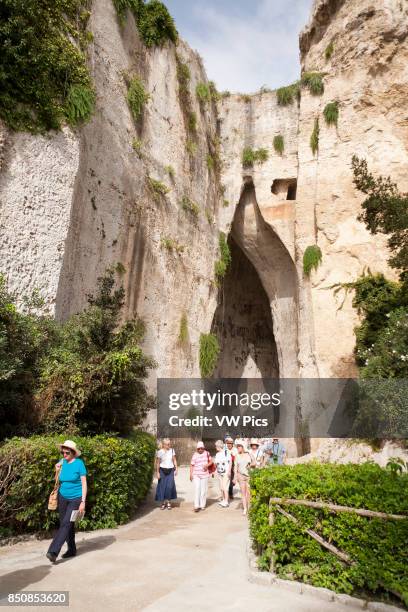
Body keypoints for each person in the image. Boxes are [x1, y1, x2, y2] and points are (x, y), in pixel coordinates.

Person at [46, 440, 87, 563]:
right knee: (66, 523)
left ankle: (53, 551)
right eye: (62, 452)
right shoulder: (62, 462)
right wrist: (56, 469)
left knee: (66, 523)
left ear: (73, 453)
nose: (64, 455)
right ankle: (72, 549)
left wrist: (83, 502)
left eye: (67, 452)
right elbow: (58, 479)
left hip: (76, 498)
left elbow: (84, 483)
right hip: (62, 496)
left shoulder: (79, 464)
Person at [190, 441, 213, 512]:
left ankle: (202, 505)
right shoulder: (194, 455)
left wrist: (207, 465)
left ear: (203, 448)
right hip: (196, 474)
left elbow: (211, 461)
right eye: (199, 448)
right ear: (197, 449)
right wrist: (191, 474)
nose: (200, 450)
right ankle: (196, 506)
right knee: (197, 489)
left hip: (205, 475)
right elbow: (192, 465)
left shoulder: (207, 453)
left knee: (203, 490)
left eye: (201, 448)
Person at [155, 438, 177, 509]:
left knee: (169, 486)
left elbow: (174, 460)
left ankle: (169, 502)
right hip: (162, 471)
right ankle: (163, 502)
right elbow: (158, 463)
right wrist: (157, 472)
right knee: (162, 486)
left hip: (170, 470)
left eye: (169, 444)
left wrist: (176, 468)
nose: (169, 445)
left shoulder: (172, 451)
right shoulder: (160, 452)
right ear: (164, 445)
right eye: (167, 444)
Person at [233, 440, 251, 515]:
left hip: (248, 475)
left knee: (249, 493)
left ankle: (250, 508)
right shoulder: (236, 456)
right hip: (240, 475)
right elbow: (235, 467)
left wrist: (250, 466)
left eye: (239, 446)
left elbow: (252, 463)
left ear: (243, 447)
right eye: (237, 447)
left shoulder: (248, 455)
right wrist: (235, 477)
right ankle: (245, 509)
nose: (238, 448)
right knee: (243, 493)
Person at [214, 439, 231, 508]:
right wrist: (214, 471)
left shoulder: (226, 452)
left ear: (219, 446)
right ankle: (223, 499)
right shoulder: (217, 454)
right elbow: (216, 463)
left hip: (226, 472)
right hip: (219, 472)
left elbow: (230, 462)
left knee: (225, 487)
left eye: (216, 446)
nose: (215, 447)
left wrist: (229, 471)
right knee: (221, 487)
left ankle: (226, 501)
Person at [225, 435, 237, 500]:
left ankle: (230, 493)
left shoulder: (235, 450)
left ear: (232, 444)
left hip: (233, 466)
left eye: (230, 443)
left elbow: (236, 458)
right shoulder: (225, 450)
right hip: (226, 466)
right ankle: (226, 494)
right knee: (225, 480)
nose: (229, 445)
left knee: (231, 481)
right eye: (228, 443)